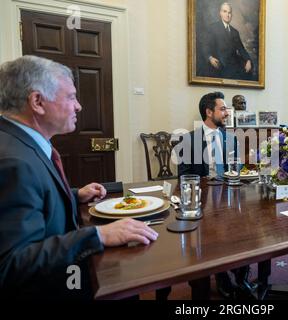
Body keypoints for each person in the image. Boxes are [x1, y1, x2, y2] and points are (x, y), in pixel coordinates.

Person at [0, 56, 159, 299]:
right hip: (56, 288)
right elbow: (11, 265)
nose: (78, 106)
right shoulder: (13, 162)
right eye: (71, 96)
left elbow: (34, 203)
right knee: (127, 281)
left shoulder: (20, 144)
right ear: (37, 101)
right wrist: (97, 235)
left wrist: (74, 195)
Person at [177, 92, 255, 299]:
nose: (227, 112)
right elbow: (184, 178)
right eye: (222, 109)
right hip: (203, 204)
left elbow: (236, 170)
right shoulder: (188, 140)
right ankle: (221, 276)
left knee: (246, 227)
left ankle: (242, 276)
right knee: (213, 236)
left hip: (230, 199)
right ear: (209, 112)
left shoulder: (231, 139)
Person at [201, 2, 253, 80]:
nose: (227, 15)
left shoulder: (235, 32)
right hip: (219, 64)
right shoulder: (213, 28)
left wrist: (248, 60)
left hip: (233, 66)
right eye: (225, 11)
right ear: (220, 13)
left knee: (248, 73)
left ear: (231, 15)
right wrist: (210, 58)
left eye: (229, 13)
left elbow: (241, 49)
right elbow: (205, 45)